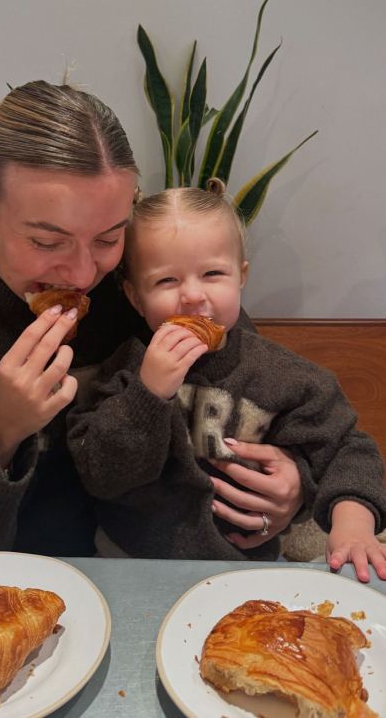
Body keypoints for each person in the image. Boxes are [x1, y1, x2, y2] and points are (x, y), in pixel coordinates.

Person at [0, 82, 303, 576]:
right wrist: (0, 430)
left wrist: (294, 482)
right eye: (47, 242)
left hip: (145, 577)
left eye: (109, 238)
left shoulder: (149, 289)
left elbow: (258, 397)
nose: (84, 274)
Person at [67, 182, 386, 581]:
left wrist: (352, 523)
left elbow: (345, 447)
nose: (193, 296)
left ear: (241, 277)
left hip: (245, 565)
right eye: (167, 281)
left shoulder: (280, 374)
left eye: (213, 273)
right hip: (126, 560)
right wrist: (147, 393)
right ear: (135, 298)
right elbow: (101, 473)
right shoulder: (126, 369)